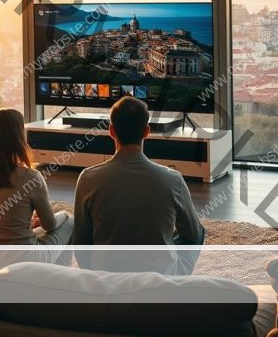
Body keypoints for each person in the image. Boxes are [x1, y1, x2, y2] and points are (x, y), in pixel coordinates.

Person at [73, 96, 205, 274]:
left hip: (107, 279)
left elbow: (81, 244)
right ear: (147, 131)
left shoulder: (87, 179)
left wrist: (96, 273)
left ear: (111, 131)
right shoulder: (173, 180)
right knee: (198, 232)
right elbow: (193, 235)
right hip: (160, 281)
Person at [0, 109, 73, 268]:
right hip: (20, 257)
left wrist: (24, 222)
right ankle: (58, 278)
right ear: (19, 137)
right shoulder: (31, 178)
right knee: (69, 222)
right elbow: (50, 225)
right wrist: (65, 214)